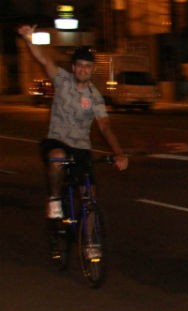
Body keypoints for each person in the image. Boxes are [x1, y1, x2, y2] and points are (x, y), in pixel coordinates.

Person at [17, 25, 128, 227]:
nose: (83, 69)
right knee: (57, 156)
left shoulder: (95, 96)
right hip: (56, 141)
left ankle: (92, 243)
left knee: (90, 197)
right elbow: (44, 59)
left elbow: (104, 126)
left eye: (87, 66)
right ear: (74, 67)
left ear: (92, 69)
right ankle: (54, 199)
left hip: (81, 148)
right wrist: (29, 38)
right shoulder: (63, 80)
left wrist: (118, 152)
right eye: (79, 65)